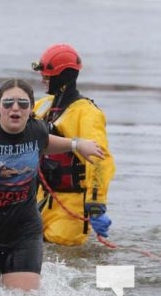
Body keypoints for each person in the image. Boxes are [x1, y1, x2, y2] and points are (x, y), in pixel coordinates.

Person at [0, 78, 104, 292]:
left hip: (24, 231)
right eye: (8, 103)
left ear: (31, 109)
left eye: (23, 104)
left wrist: (77, 144)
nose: (15, 108)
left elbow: (46, 142)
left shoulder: (37, 129)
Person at [32, 44, 116, 246]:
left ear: (62, 77)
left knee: (63, 259)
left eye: (47, 75)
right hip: (41, 200)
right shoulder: (43, 106)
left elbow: (99, 159)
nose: (43, 80)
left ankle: (112, 277)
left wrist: (96, 204)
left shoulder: (86, 113)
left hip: (72, 206)